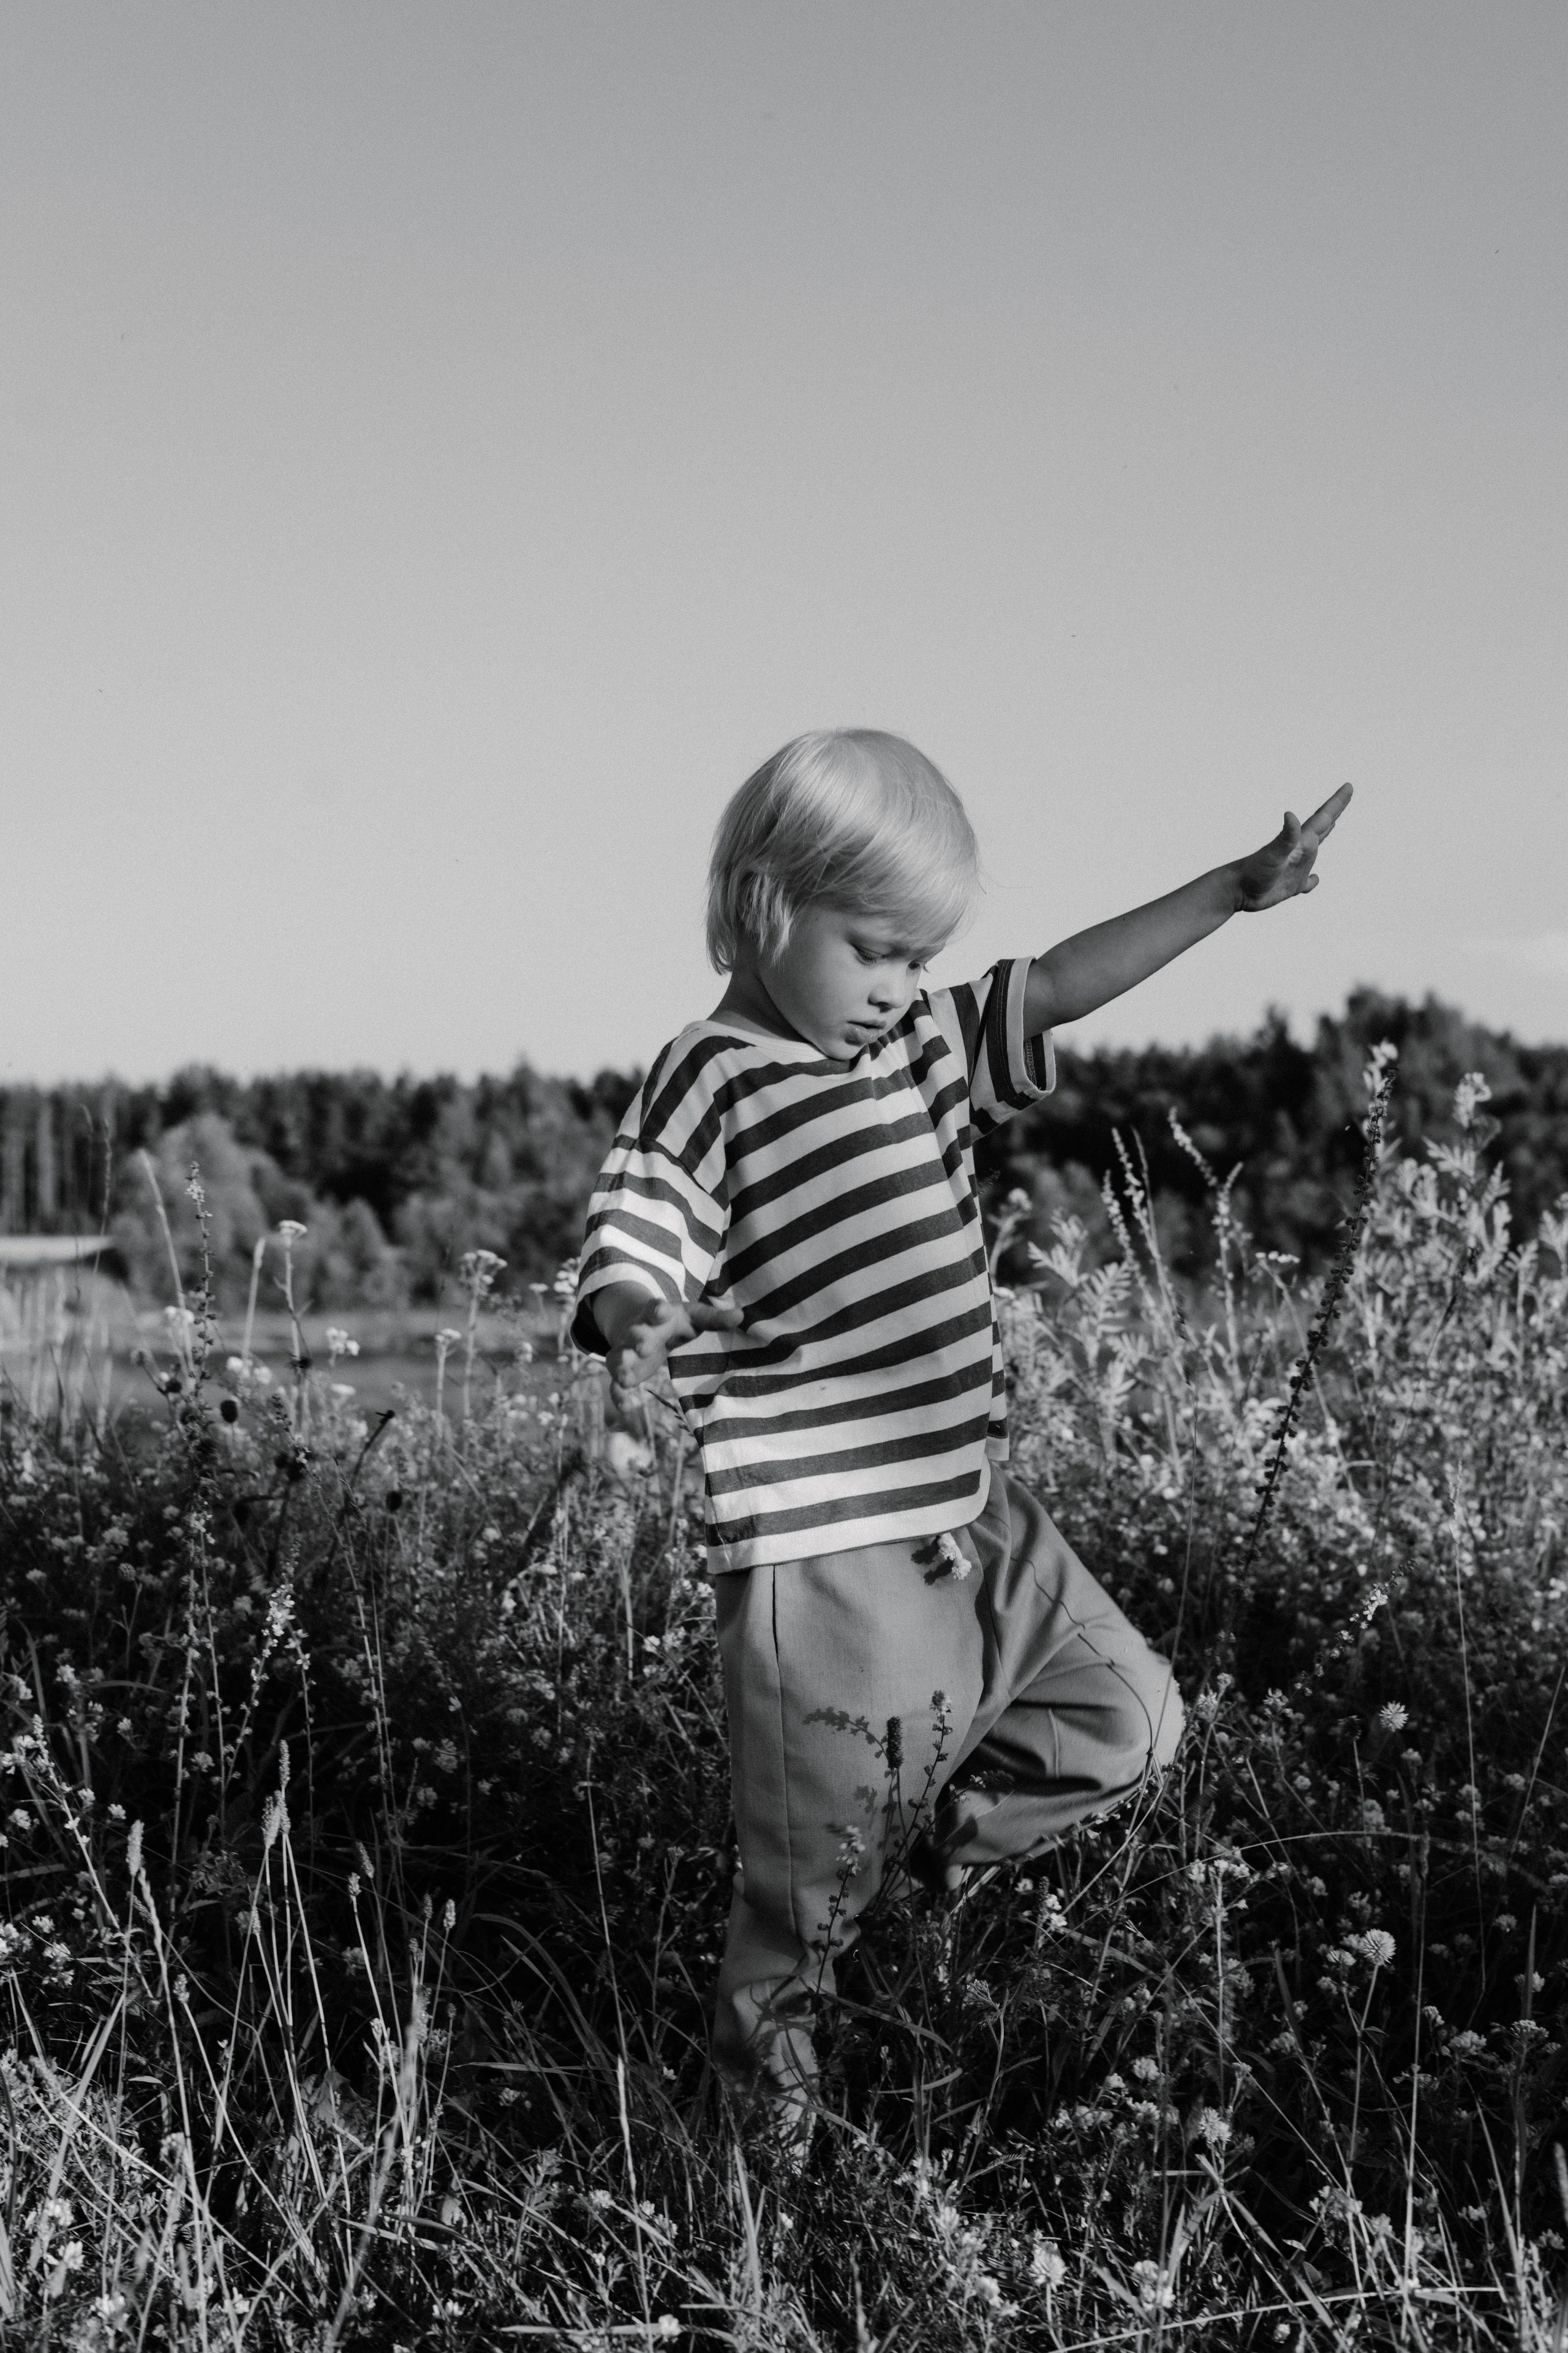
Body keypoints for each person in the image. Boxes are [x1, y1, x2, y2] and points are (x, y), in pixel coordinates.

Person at [572, 729, 1351, 2132]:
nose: (896, 986)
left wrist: (1227, 893)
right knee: (798, 1911)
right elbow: (635, 1233)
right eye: (872, 949)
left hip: (976, 1518)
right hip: (823, 1559)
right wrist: (639, 1314)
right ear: (764, 905)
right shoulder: (711, 1076)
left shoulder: (919, 1045)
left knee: (1129, 1721)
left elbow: (1053, 982)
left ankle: (921, 1880)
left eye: (917, 956)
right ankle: (756, 2177)